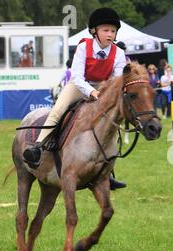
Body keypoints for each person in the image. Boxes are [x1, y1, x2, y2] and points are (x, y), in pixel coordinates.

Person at [22, 7, 127, 190]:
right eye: (105, 30)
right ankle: (38, 148)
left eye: (113, 31)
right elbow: (77, 76)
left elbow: (117, 79)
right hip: (79, 86)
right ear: (95, 30)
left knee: (112, 124)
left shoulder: (118, 53)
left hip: (104, 88)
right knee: (57, 111)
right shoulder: (83, 46)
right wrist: (92, 92)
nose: (110, 34)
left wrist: (105, 93)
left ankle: (107, 172)